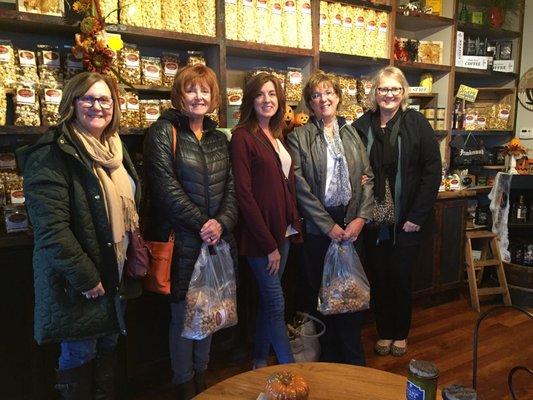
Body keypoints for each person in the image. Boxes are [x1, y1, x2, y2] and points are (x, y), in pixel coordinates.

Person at [18, 71, 140, 399]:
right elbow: (51, 230)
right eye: (87, 98)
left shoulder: (114, 150)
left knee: (107, 350)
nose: (97, 106)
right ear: (72, 103)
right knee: (80, 355)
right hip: (79, 284)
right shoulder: (51, 153)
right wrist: (87, 278)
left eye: (104, 99)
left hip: (114, 273)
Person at [143, 64, 237, 400]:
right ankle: (184, 384)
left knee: (209, 309)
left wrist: (221, 223)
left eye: (205, 91)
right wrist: (202, 224)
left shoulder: (218, 138)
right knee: (184, 317)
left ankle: (202, 377)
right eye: (191, 90)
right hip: (182, 241)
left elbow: (232, 190)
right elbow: (165, 189)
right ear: (179, 95)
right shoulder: (162, 132)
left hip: (215, 243)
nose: (199, 97)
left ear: (213, 98)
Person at [287, 70, 374, 365]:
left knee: (349, 298)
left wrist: (361, 218)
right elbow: (300, 187)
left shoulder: (352, 134)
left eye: (328, 93)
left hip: (351, 226)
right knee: (320, 297)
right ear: (309, 103)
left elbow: (368, 178)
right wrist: (328, 226)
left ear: (338, 97)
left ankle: (352, 364)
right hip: (319, 230)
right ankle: (327, 365)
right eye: (315, 95)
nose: (323, 99)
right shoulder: (299, 137)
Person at [353, 66, 441, 357]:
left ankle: (400, 333)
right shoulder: (362, 125)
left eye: (394, 89)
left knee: (400, 278)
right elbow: (351, 165)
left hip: (407, 220)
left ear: (403, 93)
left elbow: (432, 171)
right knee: (378, 278)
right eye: (383, 89)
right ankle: (384, 331)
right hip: (373, 219)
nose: (388, 94)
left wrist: (417, 215)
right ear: (374, 93)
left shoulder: (416, 123)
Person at [230, 73, 301, 369]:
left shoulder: (276, 135)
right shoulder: (242, 137)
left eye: (272, 94)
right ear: (251, 100)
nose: (267, 100)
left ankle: (259, 359)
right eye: (260, 94)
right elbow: (244, 196)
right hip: (262, 239)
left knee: (266, 299)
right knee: (274, 303)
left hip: (283, 232)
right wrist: (268, 244)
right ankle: (290, 369)